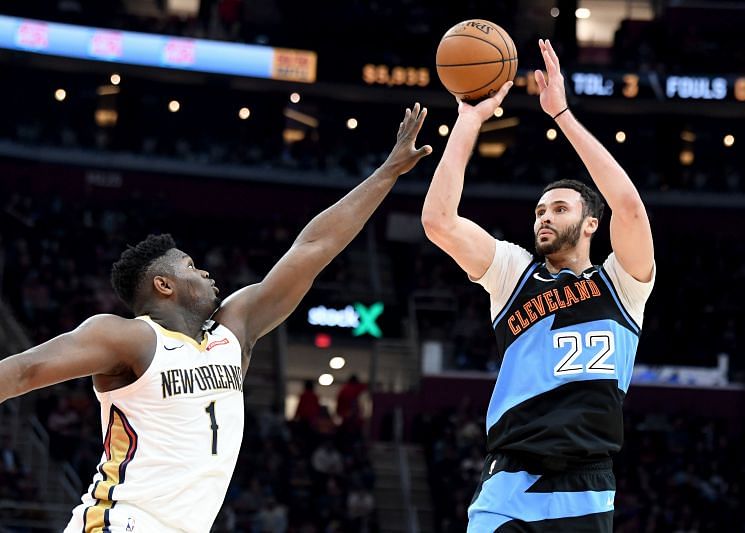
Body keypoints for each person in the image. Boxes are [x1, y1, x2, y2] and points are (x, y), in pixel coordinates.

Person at [0, 103, 432, 532]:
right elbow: (24, 371)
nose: (205, 272)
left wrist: (387, 172)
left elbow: (313, 248)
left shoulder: (235, 329)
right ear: (163, 286)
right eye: (189, 266)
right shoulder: (128, 339)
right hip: (120, 522)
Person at [421, 39, 655, 532]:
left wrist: (563, 114)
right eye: (539, 211)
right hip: (509, 481)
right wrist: (468, 120)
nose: (545, 217)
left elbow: (630, 207)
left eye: (560, 208)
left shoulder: (623, 285)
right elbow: (439, 221)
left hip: (586, 489)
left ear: (592, 223)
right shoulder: (513, 274)